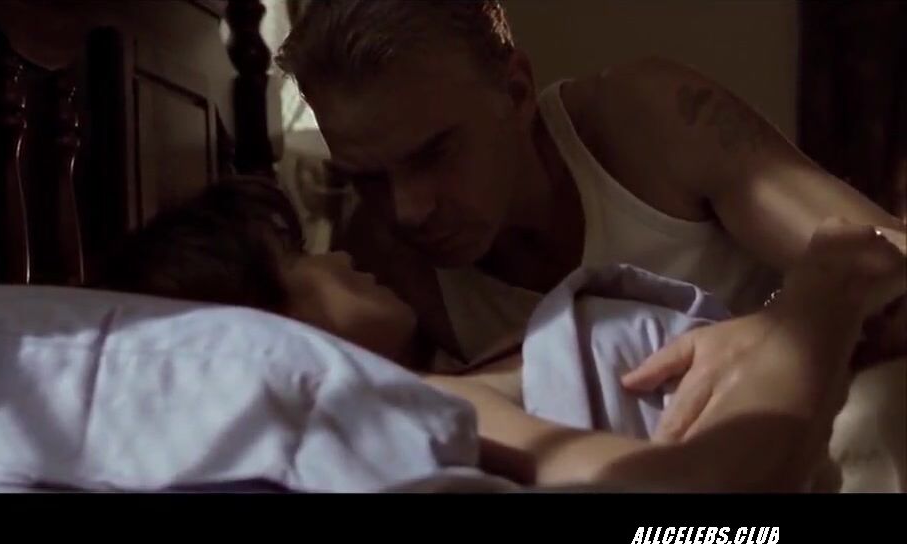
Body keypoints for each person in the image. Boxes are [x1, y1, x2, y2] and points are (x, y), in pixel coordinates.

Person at [272, 0, 907, 442]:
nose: (408, 209)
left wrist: (776, 329)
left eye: (433, 154)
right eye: (367, 178)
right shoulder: (380, 267)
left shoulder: (645, 120)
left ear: (516, 91)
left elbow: (895, 256)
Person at [98, 179, 905, 491]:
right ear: (263, 333)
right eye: (296, 258)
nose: (336, 253)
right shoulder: (414, 408)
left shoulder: (452, 372)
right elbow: (697, 507)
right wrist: (816, 307)